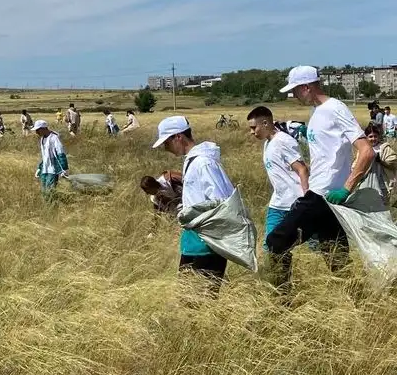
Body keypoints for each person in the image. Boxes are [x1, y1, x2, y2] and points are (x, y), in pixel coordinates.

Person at [267, 66, 375, 273]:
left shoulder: (335, 108)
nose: (294, 95)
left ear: (307, 87)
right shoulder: (316, 112)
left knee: (276, 242)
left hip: (324, 195)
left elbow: (366, 151)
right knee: (336, 257)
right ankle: (359, 301)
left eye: (296, 90)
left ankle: (283, 302)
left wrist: (346, 188)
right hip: (323, 194)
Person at [152, 116, 234, 286]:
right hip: (192, 242)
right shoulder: (191, 161)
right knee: (187, 299)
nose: (165, 148)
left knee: (201, 301)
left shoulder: (204, 163)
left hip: (207, 245)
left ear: (178, 137)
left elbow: (221, 202)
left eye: (166, 142)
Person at [247, 106, 310, 290]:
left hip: (294, 203)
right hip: (278, 204)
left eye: (254, 127)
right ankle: (281, 287)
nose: (252, 132)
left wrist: (307, 200)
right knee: (271, 248)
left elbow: (302, 169)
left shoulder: (283, 141)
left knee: (315, 243)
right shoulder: (268, 142)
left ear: (265, 123)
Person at [32, 120, 69, 197]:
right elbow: (45, 156)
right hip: (45, 169)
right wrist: (40, 168)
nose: (36, 132)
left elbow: (60, 153)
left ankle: (52, 205)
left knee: (50, 191)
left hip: (53, 169)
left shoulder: (54, 138)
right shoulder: (42, 139)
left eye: (38, 130)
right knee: (44, 191)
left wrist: (64, 168)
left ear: (43, 128)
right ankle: (47, 206)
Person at [362, 123, 397, 204]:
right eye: (370, 136)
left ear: (378, 137)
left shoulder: (385, 148)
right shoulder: (364, 149)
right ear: (366, 137)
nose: (373, 138)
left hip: (383, 183)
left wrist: (380, 161)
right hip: (366, 182)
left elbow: (393, 161)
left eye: (375, 136)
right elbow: (356, 166)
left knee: (382, 205)